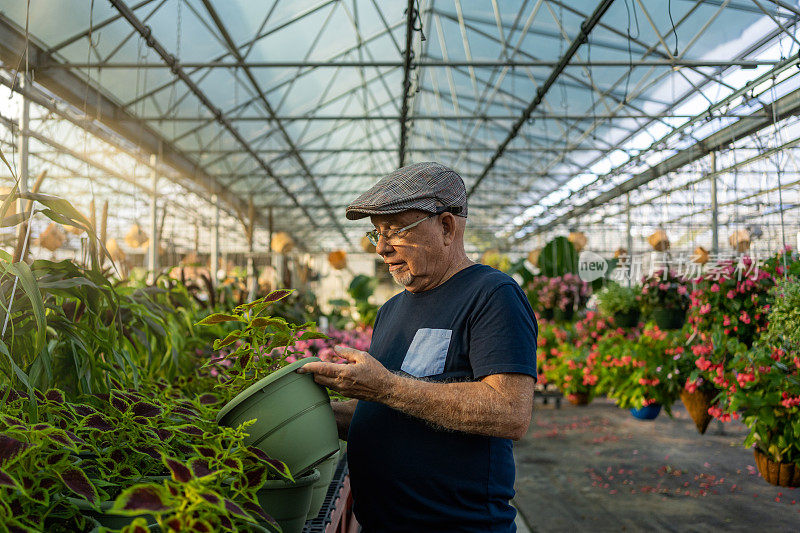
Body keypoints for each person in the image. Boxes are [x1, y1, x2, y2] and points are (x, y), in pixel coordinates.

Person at [298, 162, 538, 532]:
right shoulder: (392, 309)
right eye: (375, 233)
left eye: (394, 231)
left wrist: (386, 386)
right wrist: (301, 410)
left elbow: (510, 411)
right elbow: (379, 411)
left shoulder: (492, 294)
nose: (380, 248)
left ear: (445, 226)